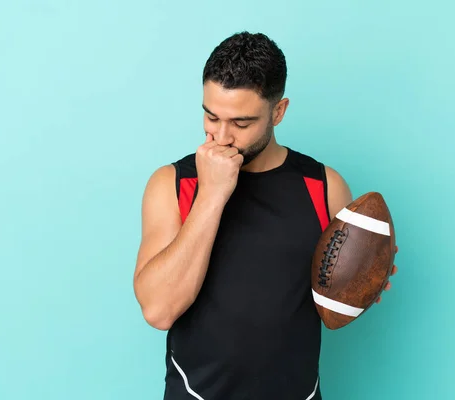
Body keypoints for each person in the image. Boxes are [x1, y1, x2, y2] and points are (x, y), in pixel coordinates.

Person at [133, 31, 397, 400]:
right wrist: (211, 195)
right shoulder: (173, 184)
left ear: (278, 111)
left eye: (241, 124)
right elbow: (159, 311)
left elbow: (336, 302)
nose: (221, 137)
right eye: (211, 117)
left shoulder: (323, 186)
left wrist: (362, 280)